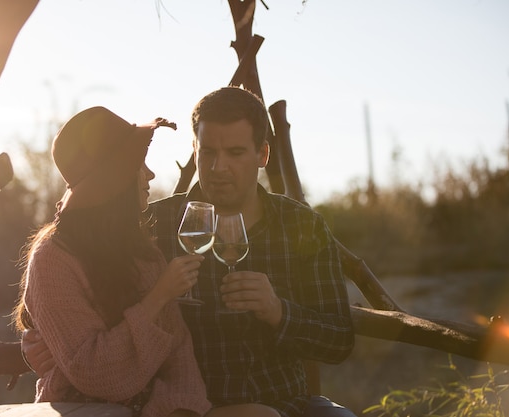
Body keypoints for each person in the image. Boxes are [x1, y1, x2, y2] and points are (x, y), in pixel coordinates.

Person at [23, 87, 357, 417]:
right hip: (183, 406)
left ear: (263, 155)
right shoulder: (152, 226)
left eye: (236, 153)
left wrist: (278, 311)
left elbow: (339, 341)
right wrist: (42, 340)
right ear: (194, 150)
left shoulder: (301, 226)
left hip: (287, 403)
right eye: (208, 152)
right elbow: (82, 298)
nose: (218, 167)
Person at [12, 106, 211, 417]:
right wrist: (159, 296)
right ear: (115, 178)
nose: (150, 174)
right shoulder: (52, 258)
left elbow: (179, 353)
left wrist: (180, 409)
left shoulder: (141, 251)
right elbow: (93, 374)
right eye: (139, 164)